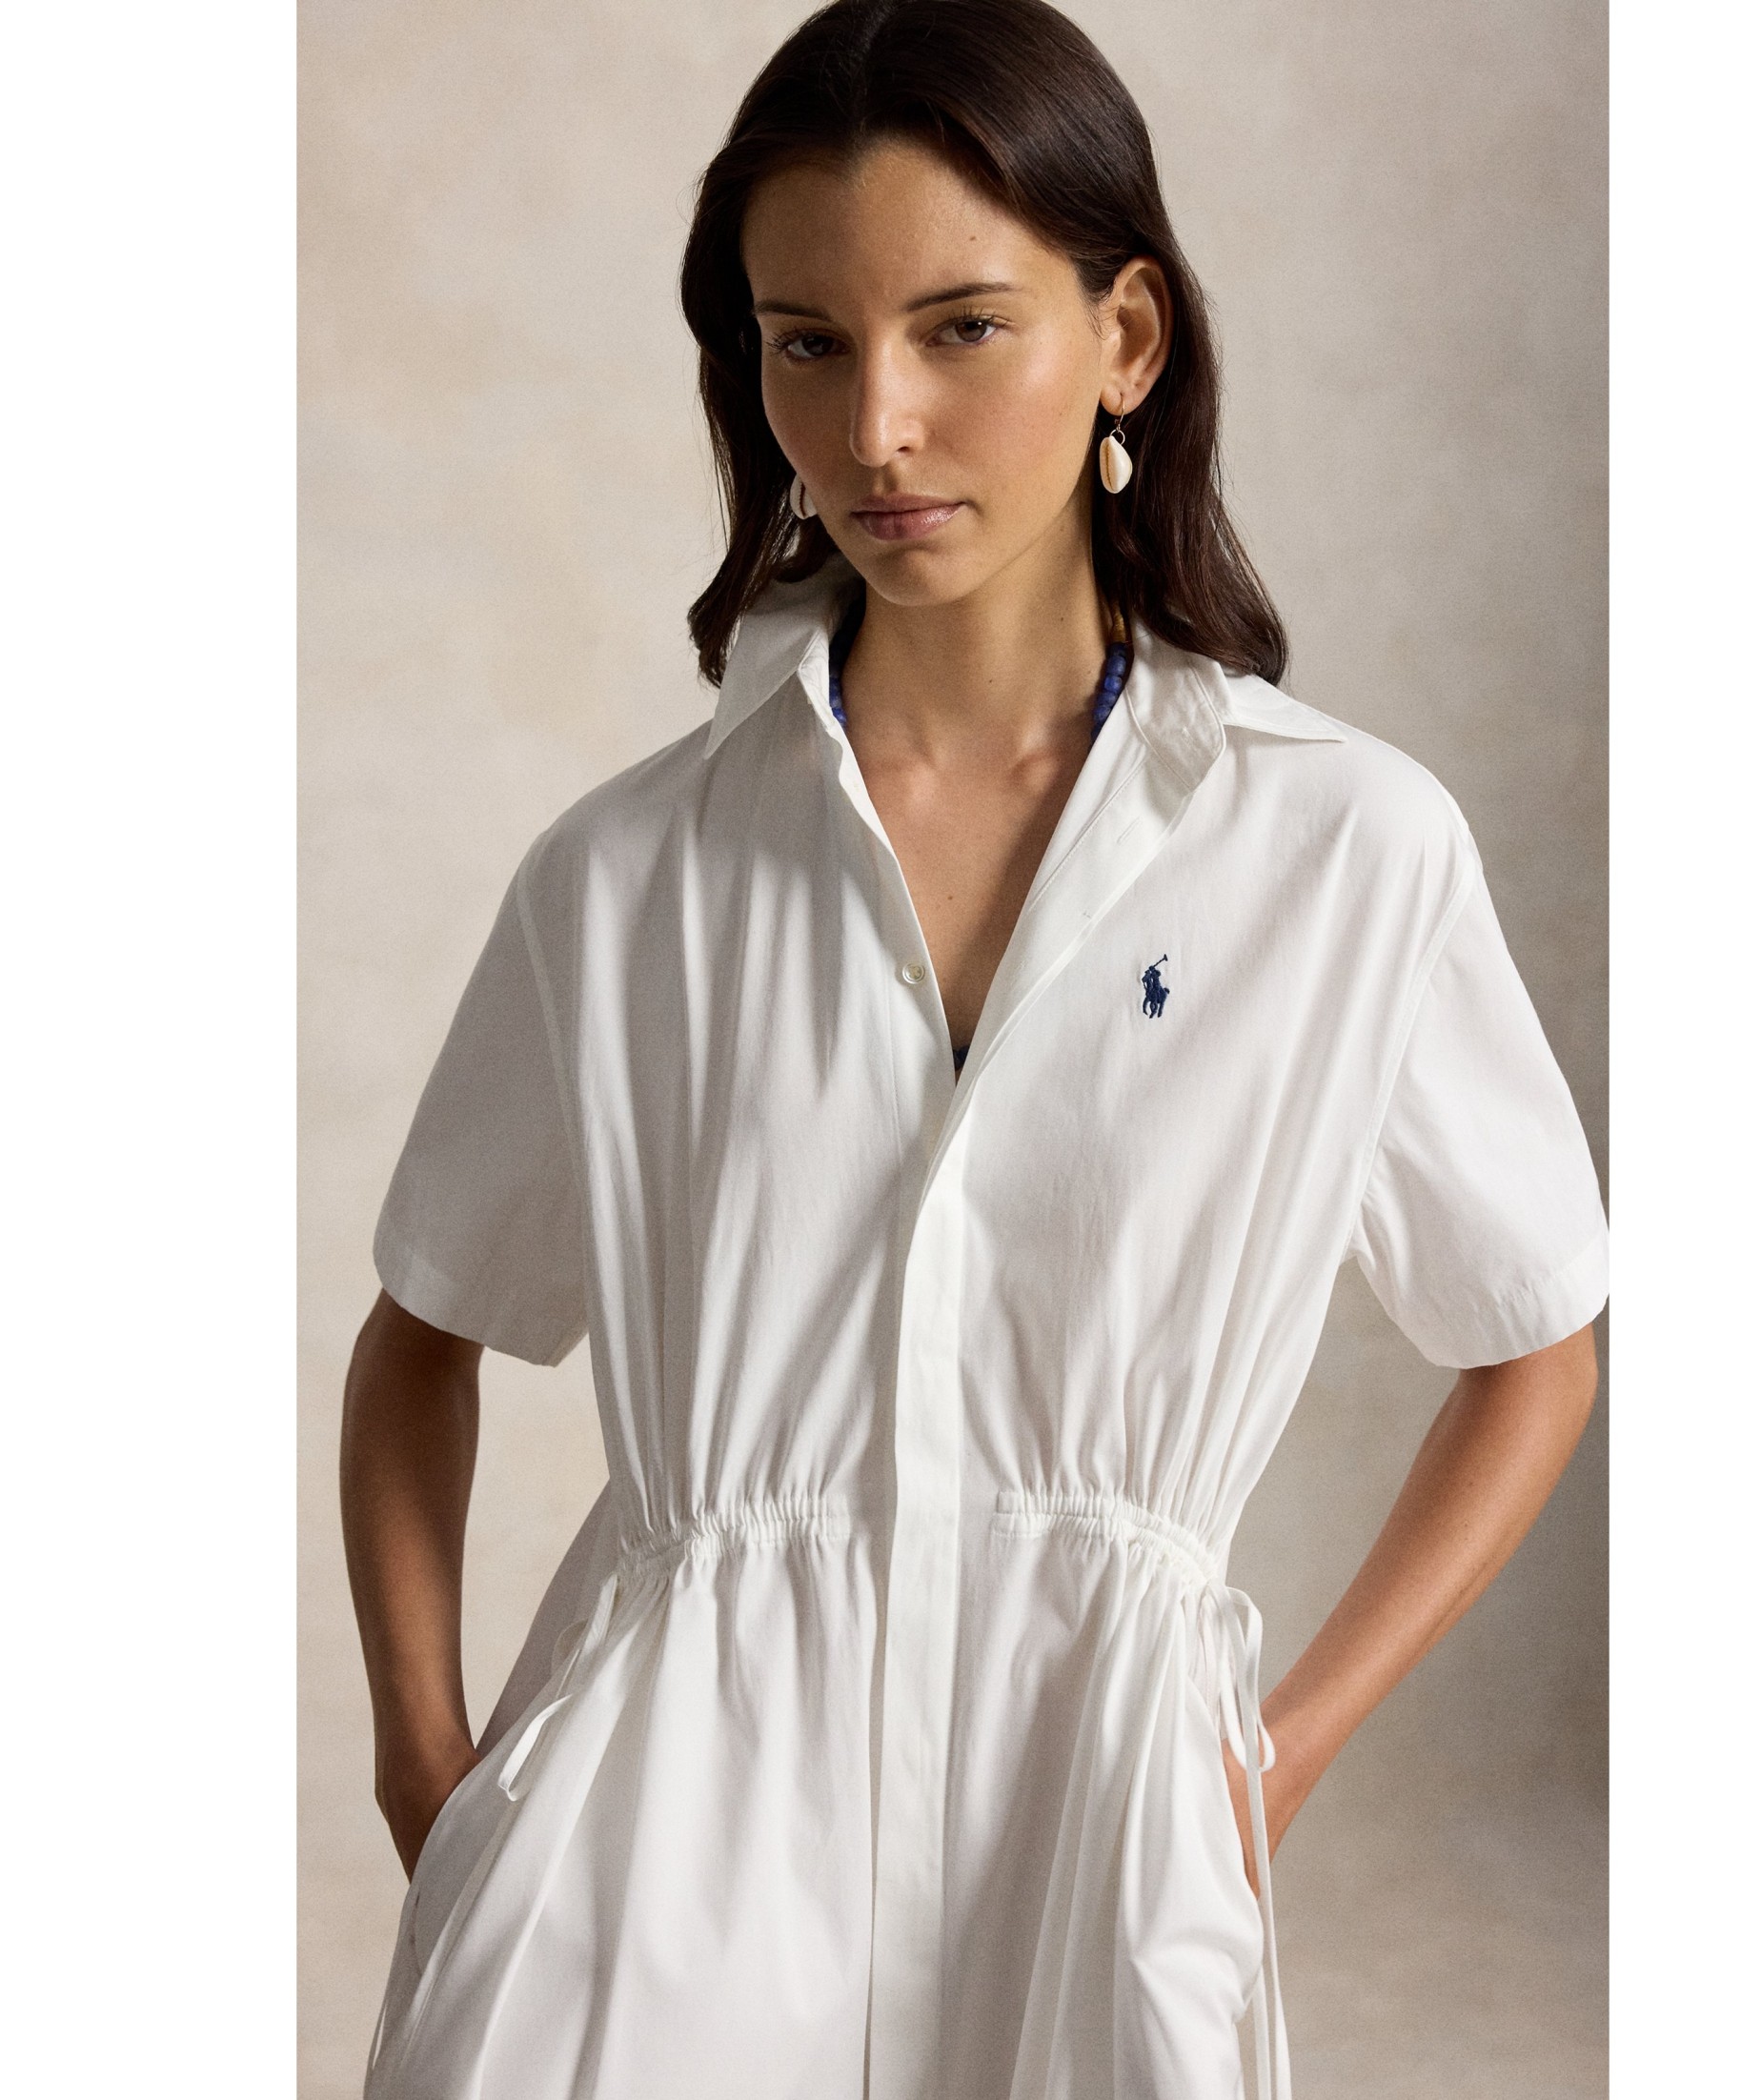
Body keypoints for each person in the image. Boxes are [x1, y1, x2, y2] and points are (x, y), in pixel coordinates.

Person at [340, 2, 1609, 2095]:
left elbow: (1536, 1342)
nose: (876, 427)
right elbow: (422, 1336)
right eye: (806, 343)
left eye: (959, 330)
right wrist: (435, 1778)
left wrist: (1270, 1760)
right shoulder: (629, 874)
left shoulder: (1342, 851)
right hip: (649, 1874)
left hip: (1094, 1857)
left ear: (1127, 338)